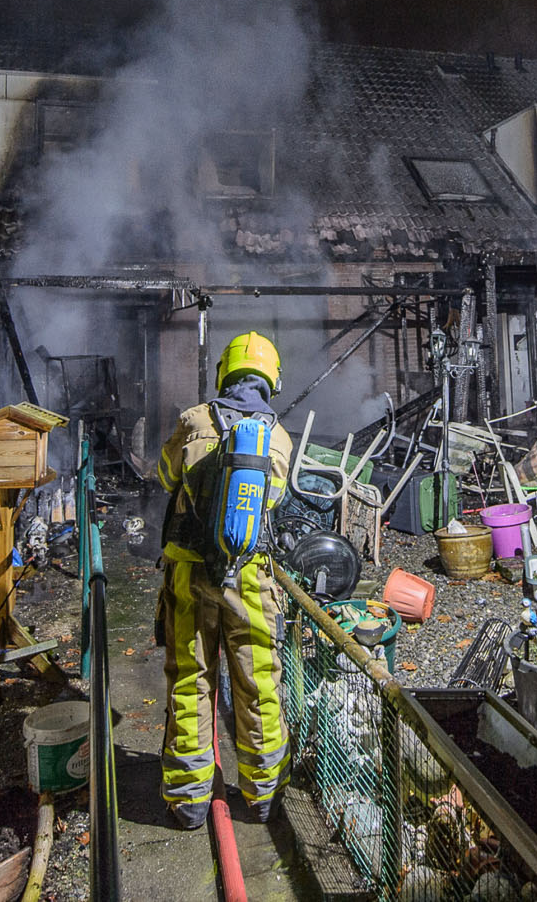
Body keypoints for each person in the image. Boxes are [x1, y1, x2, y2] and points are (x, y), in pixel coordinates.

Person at [156, 331, 295, 829]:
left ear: (225, 372)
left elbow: (165, 476)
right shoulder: (277, 437)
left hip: (189, 572)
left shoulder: (194, 420)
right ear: (271, 378)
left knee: (190, 680)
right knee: (257, 683)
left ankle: (189, 799)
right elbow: (273, 501)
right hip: (250, 579)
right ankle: (260, 796)